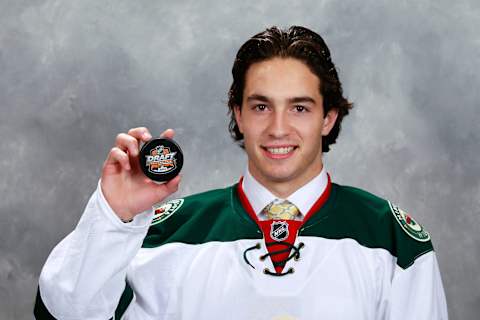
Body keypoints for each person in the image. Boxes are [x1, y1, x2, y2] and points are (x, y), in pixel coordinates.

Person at [34, 25, 448, 319]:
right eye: (261, 106)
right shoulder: (161, 234)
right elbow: (62, 316)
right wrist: (114, 217)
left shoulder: (393, 242)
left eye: (300, 108)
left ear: (329, 117)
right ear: (239, 115)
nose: (278, 128)